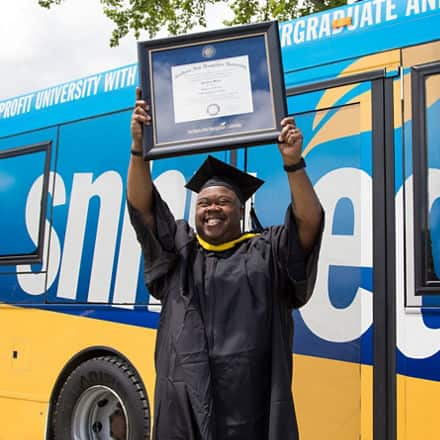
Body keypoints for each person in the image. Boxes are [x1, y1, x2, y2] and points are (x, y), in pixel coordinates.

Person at [127, 87, 323, 440]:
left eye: (222, 202)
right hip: (185, 402)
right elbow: (143, 207)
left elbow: (309, 222)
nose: (212, 208)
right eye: (204, 203)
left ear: (240, 210)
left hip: (250, 405)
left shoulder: (266, 251)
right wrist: (139, 147)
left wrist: (293, 163)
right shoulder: (180, 252)